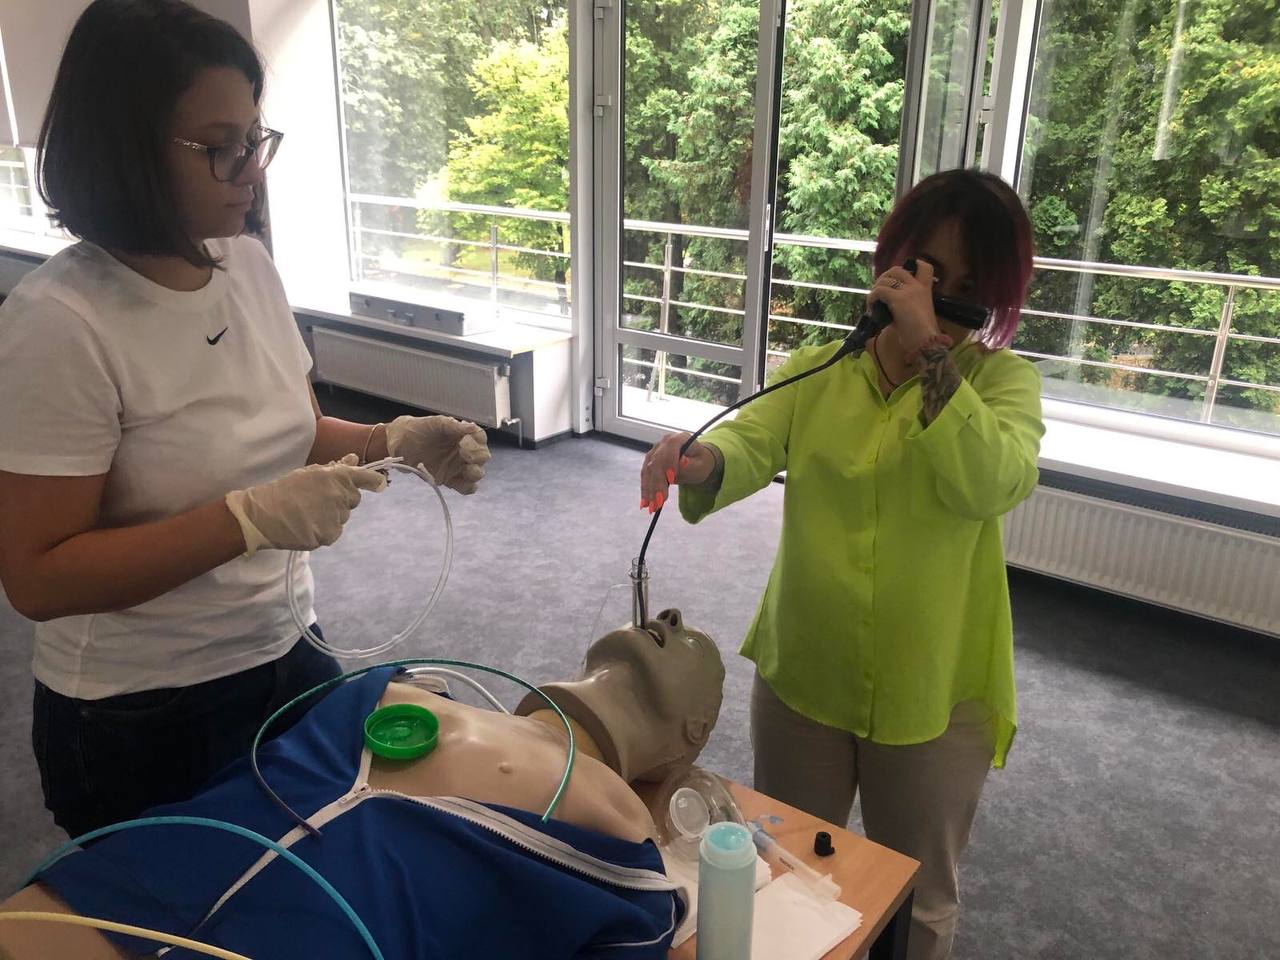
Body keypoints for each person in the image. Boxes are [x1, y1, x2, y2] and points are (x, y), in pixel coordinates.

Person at [0, 0, 491, 840]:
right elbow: (39, 579)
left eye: (255, 139)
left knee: (314, 870)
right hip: (140, 710)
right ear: (126, 148)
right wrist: (246, 521)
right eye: (220, 147)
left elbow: (297, 432)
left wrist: (394, 442)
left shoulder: (247, 264)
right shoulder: (60, 322)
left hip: (286, 648)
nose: (252, 171)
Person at [638, 169, 1044, 960]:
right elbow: (752, 437)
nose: (944, 301)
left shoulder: (1002, 384)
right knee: (788, 865)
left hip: (935, 688)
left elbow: (994, 481)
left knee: (918, 898)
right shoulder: (823, 366)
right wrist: (701, 459)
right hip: (807, 669)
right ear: (895, 264)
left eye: (968, 290)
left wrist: (931, 350)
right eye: (931, 273)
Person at [0, 610, 726, 960]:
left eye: (694, 641)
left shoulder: (622, 848)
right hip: (90, 899)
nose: (668, 617)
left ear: (691, 738)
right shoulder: (403, 686)